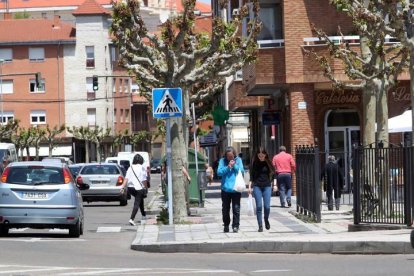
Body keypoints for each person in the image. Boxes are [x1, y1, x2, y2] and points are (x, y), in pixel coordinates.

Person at [217, 146, 244, 233]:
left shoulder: (238, 160)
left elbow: (242, 171)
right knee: (225, 208)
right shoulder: (222, 161)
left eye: (231, 156)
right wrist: (228, 167)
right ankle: (226, 224)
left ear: (234, 155)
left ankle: (235, 226)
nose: (230, 158)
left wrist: (234, 165)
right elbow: (219, 172)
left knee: (236, 208)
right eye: (228, 156)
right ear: (225, 155)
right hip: (225, 189)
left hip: (236, 189)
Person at [248, 147, 274, 232]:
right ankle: (260, 225)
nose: (261, 157)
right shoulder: (254, 163)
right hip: (257, 186)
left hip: (267, 186)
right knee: (259, 206)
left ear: (265, 155)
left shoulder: (268, 163)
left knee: (267, 206)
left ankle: (266, 219)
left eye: (262, 155)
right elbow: (251, 176)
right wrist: (249, 187)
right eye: (259, 156)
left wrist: (275, 184)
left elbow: (274, 174)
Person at [119, 154, 148, 226]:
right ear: (141, 160)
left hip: (130, 188)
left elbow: (126, 178)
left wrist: (122, 187)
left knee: (140, 199)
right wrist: (146, 188)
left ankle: (143, 215)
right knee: (137, 203)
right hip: (139, 188)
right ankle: (131, 219)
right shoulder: (142, 168)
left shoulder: (130, 168)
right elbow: (144, 180)